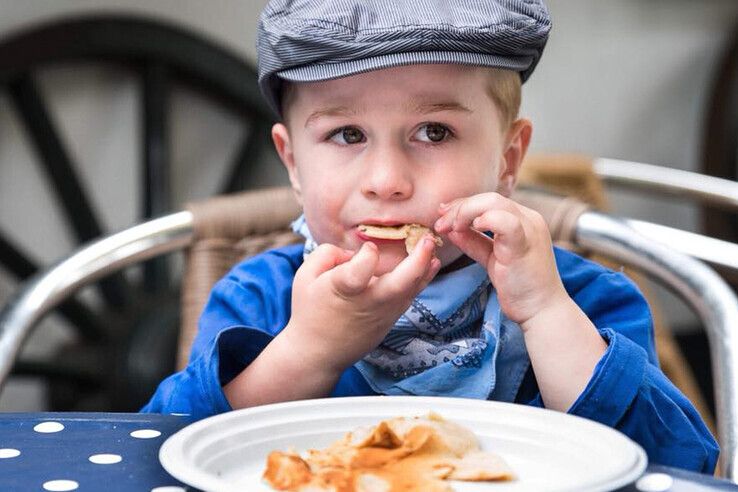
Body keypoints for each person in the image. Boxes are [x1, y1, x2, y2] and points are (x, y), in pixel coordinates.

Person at [143, 0, 718, 473]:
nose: (387, 182)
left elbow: (678, 464)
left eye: (434, 131)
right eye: (346, 134)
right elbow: (161, 448)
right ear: (292, 163)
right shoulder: (260, 297)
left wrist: (543, 311)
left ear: (508, 158)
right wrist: (308, 351)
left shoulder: (580, 298)